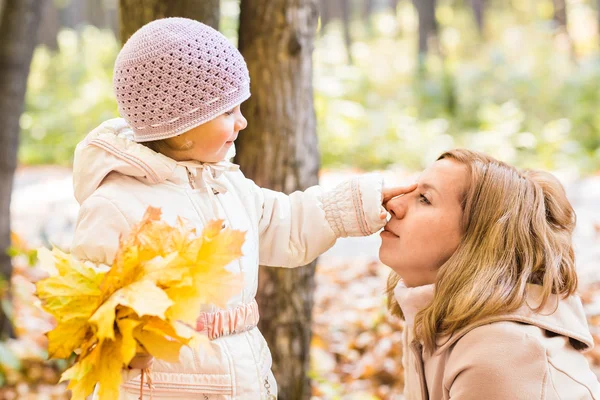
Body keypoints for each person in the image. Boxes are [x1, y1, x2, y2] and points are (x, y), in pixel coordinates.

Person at [71, 17, 413, 399]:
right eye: (228, 112)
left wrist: (360, 202)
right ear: (183, 126)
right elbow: (89, 302)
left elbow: (285, 224)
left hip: (244, 377)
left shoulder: (225, 185)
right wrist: (124, 346)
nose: (243, 122)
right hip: (165, 386)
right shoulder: (115, 204)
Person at [381, 148, 600, 399]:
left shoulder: (500, 353)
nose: (393, 204)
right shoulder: (427, 312)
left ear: (478, 239)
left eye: (425, 198)